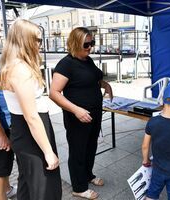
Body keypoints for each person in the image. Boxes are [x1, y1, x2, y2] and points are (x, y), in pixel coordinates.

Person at [0, 19, 62, 200]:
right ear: (25, 40)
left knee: (28, 184)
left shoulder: (14, 65)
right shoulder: (19, 70)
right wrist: (49, 152)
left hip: (27, 131)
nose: (40, 44)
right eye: (38, 40)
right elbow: (31, 117)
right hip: (30, 132)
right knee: (45, 188)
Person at [49, 27, 113, 199]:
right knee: (78, 150)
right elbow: (53, 93)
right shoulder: (66, 64)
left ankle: (88, 175)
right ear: (75, 42)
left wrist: (105, 85)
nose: (90, 47)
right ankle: (78, 187)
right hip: (77, 116)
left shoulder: (87, 60)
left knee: (91, 146)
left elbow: (92, 78)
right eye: (86, 44)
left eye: (92, 43)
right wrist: (76, 110)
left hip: (94, 113)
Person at [0, 13, 17, 200]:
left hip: (3, 122)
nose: (0, 35)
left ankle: (7, 190)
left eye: (0, 30)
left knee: (4, 163)